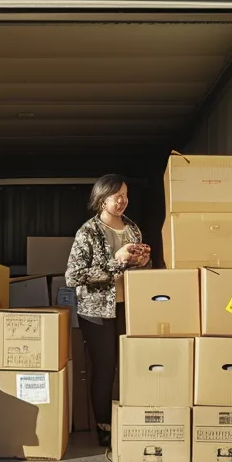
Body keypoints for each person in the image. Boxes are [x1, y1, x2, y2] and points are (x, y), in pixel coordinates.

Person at [63, 174, 152, 447]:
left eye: (125, 194)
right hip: (97, 310)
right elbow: (73, 276)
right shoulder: (88, 231)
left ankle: (131, 420)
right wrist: (117, 262)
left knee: (131, 366)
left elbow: (137, 268)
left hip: (130, 306)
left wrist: (142, 261)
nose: (123, 200)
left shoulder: (133, 228)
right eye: (117, 196)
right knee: (105, 369)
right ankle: (104, 426)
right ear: (102, 199)